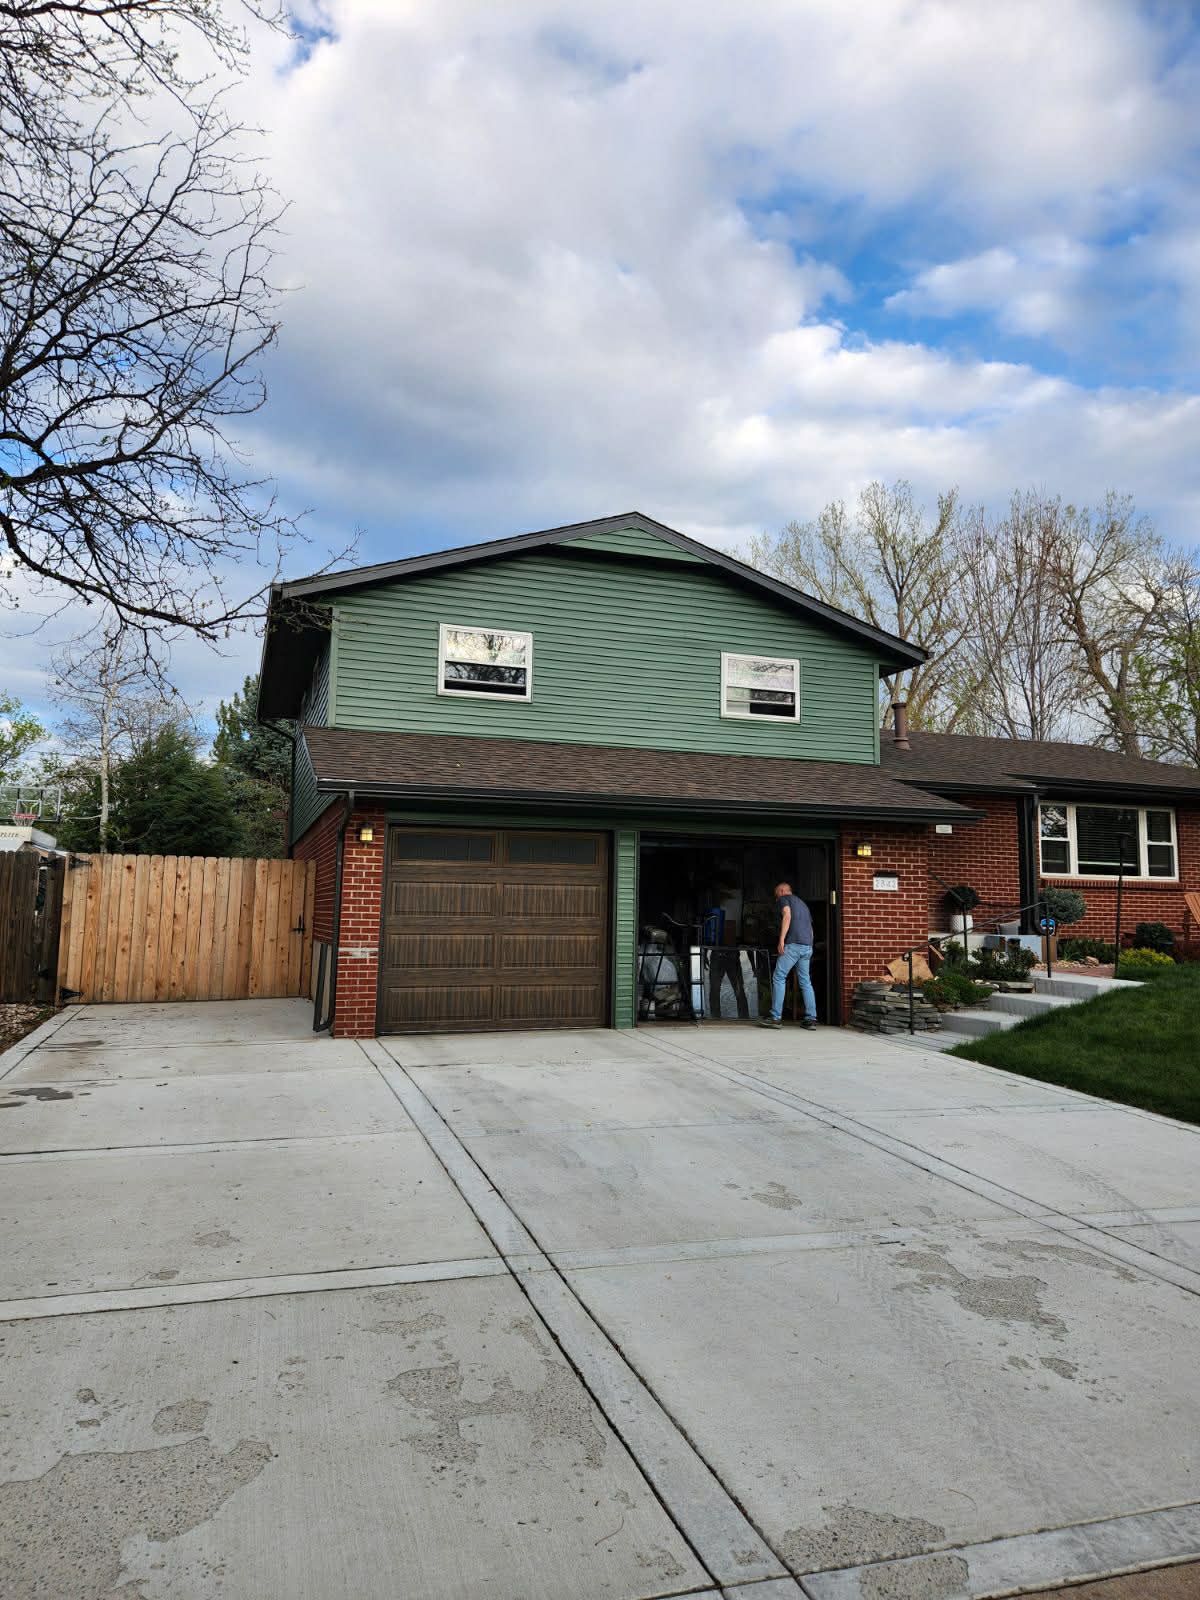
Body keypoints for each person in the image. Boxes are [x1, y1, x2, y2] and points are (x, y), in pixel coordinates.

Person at [758, 881, 817, 1029]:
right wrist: (810, 945)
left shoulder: (784, 899)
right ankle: (811, 1018)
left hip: (793, 945)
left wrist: (782, 940)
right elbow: (810, 929)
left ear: (783, 891)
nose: (776, 898)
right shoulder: (803, 904)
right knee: (806, 982)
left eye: (776, 894)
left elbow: (787, 915)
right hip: (807, 947)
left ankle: (775, 1017)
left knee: (779, 977)